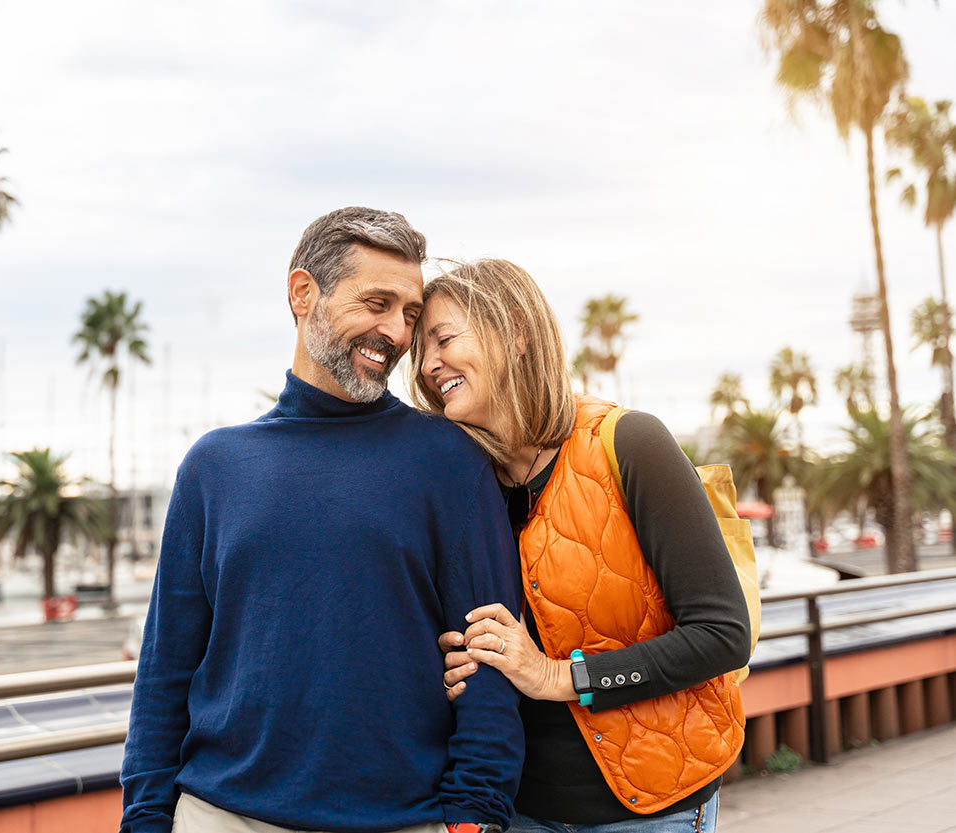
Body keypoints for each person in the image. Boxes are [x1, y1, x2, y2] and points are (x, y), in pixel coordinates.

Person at [120, 208, 525, 833]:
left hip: (405, 820)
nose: (395, 332)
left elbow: (492, 660)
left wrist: (474, 816)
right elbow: (164, 672)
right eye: (377, 303)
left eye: (410, 314)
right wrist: (145, 819)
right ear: (303, 293)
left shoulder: (451, 460)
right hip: (219, 815)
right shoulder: (214, 467)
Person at [408, 259, 751, 833]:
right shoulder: (467, 484)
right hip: (520, 810)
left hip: (648, 809)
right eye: (421, 351)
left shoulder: (629, 443)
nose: (427, 365)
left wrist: (554, 676)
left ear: (515, 331)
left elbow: (722, 635)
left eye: (443, 339)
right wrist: (458, 654)